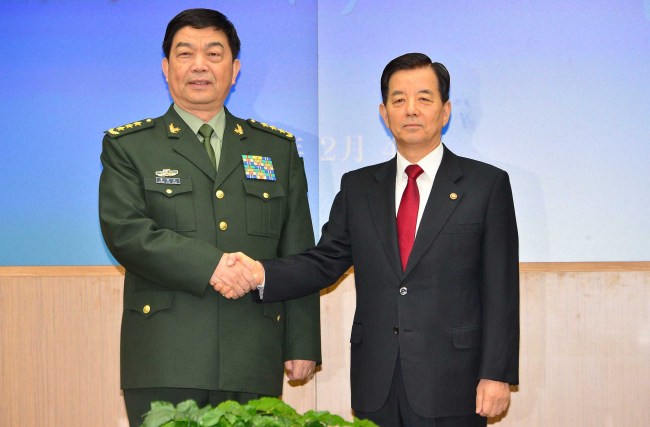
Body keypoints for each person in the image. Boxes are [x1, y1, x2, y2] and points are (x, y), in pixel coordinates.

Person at [218, 53, 519, 426]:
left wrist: (496, 373)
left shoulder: (485, 185)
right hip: (377, 380)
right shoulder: (359, 187)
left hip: (455, 381)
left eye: (424, 99)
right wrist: (260, 273)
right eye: (398, 100)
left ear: (445, 111)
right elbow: (324, 261)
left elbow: (501, 288)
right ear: (383, 112)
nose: (411, 109)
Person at [98, 8, 320, 427]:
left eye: (214, 53)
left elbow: (298, 249)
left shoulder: (277, 149)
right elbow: (126, 232)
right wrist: (212, 265)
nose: (199, 65)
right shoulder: (130, 146)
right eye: (185, 53)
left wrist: (302, 340)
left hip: (253, 353)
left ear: (234, 70)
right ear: (166, 68)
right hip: (165, 357)